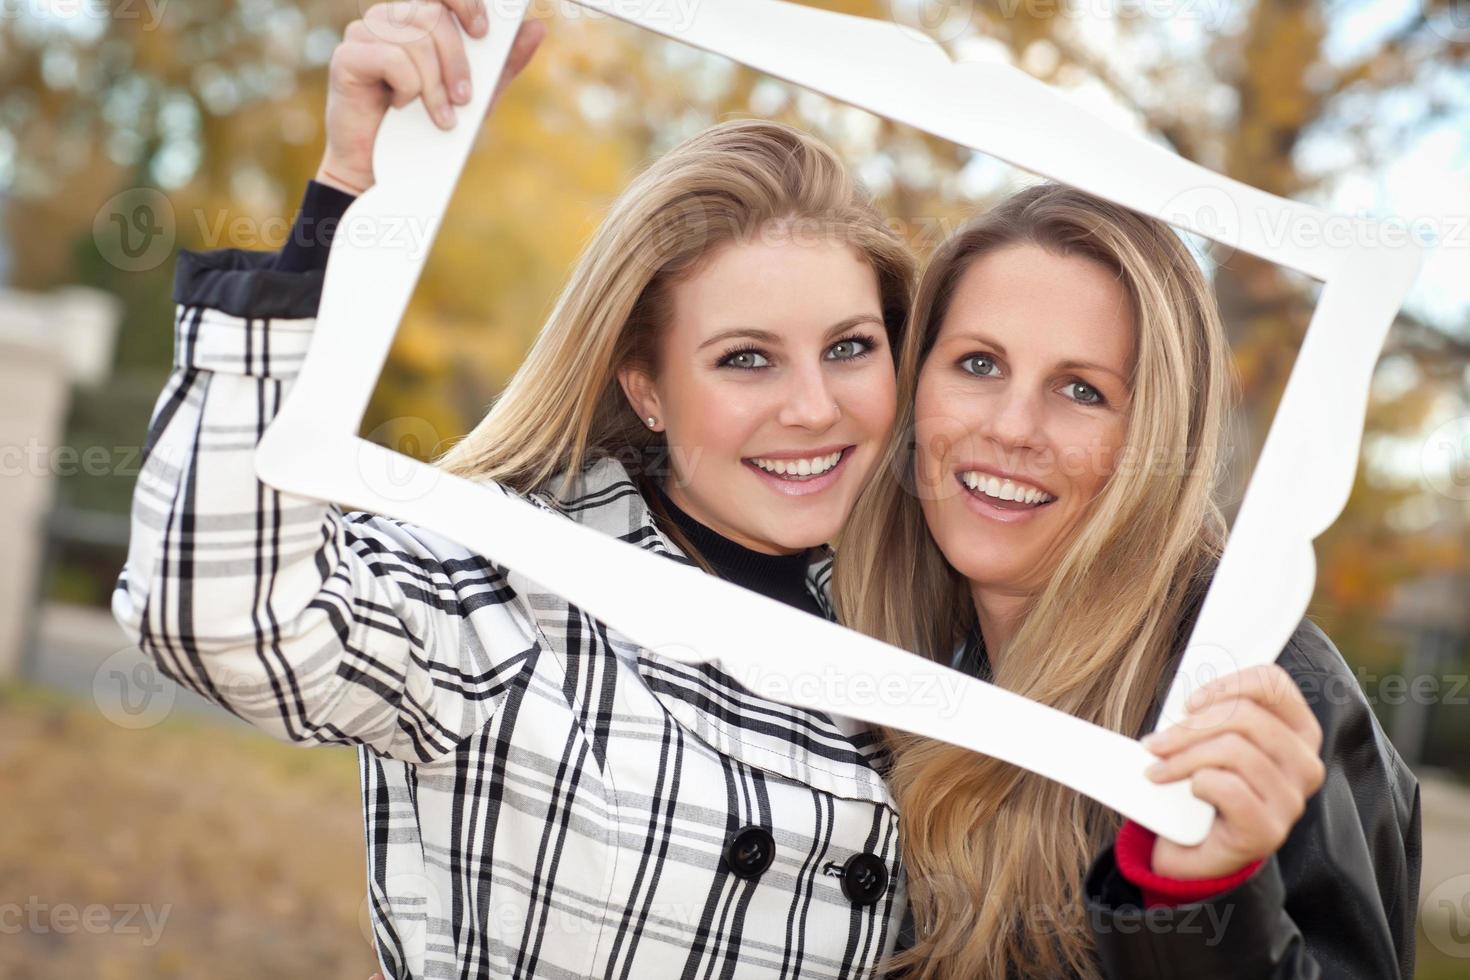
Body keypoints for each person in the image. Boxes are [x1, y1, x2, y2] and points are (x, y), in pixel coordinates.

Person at [112, 4, 917, 976]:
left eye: (849, 347)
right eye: (746, 358)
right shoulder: (511, 589)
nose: (813, 405)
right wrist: (358, 183)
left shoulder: (930, 618)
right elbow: (220, 613)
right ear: (646, 386)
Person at [832, 183, 1421, 979]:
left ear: (1153, 437)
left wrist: (1198, 899)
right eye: (979, 363)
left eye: (1083, 390)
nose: (1011, 428)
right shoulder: (868, 641)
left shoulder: (1263, 692)